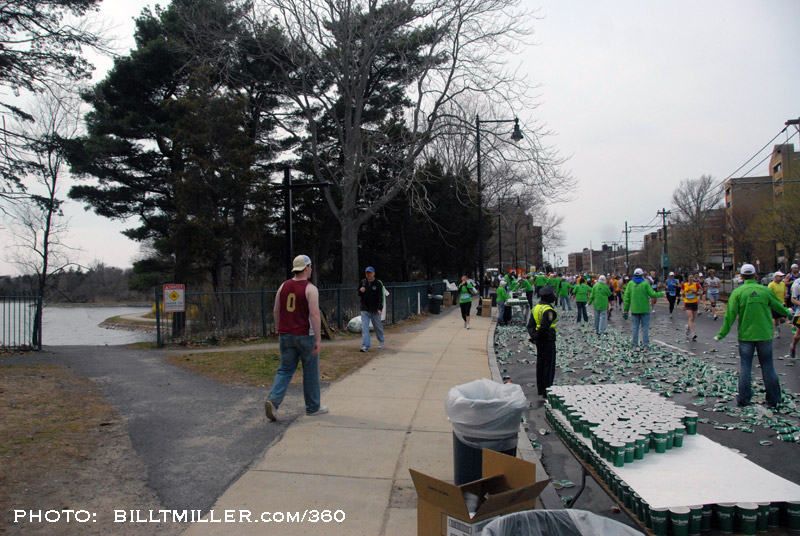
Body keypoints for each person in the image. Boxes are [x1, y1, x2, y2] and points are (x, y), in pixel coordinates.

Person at [715, 263, 792, 408]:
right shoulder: (764, 291)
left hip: (746, 335)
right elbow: (778, 307)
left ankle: (744, 399)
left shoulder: (738, 293)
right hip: (764, 334)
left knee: (745, 367)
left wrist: (721, 334)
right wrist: (789, 312)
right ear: (756, 276)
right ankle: (773, 399)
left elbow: (729, 316)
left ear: (742, 276)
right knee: (768, 366)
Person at [265, 254, 327, 421]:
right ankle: (313, 407)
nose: (311, 269)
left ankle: (273, 401)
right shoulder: (310, 289)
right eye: (310, 266)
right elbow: (314, 314)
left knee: (285, 369)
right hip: (305, 335)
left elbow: (276, 311)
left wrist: (280, 329)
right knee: (310, 371)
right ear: (306, 268)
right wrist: (318, 339)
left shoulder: (283, 287)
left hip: (286, 335)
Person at [526, 285, 558, 396]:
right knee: (548, 365)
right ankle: (547, 390)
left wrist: (534, 336)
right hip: (547, 339)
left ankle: (540, 389)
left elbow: (530, 325)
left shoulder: (536, 308)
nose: (554, 296)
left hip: (539, 340)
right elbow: (544, 327)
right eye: (553, 294)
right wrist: (536, 337)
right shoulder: (549, 311)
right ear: (548, 296)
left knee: (540, 364)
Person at [623, 268, 664, 349]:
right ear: (642, 275)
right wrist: (661, 293)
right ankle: (646, 345)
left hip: (634, 309)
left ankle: (635, 344)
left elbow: (626, 298)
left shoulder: (630, 284)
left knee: (635, 328)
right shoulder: (645, 284)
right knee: (645, 328)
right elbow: (652, 294)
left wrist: (626, 310)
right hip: (645, 309)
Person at [359, 266, 385, 352]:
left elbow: (380, 297)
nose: (368, 275)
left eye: (370, 273)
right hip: (365, 309)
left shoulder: (378, 283)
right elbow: (358, 292)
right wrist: (360, 291)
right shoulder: (363, 282)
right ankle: (365, 346)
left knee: (378, 327)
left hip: (375, 310)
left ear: (374, 273)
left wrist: (379, 308)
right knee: (365, 328)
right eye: (367, 273)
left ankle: (381, 341)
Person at [681, 274, 701, 340]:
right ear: (688, 278)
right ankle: (693, 333)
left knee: (692, 318)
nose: (691, 278)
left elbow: (701, 292)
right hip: (687, 303)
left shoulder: (696, 285)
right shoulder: (684, 285)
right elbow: (681, 293)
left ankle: (688, 327)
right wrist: (683, 293)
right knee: (691, 318)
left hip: (694, 302)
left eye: (692, 277)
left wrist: (695, 291)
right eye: (690, 277)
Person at [768, 272, 786, 338]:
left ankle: (778, 325)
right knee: (775, 319)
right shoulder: (771, 285)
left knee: (783, 319)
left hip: (782, 304)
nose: (781, 278)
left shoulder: (783, 284)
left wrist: (786, 298)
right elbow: (769, 294)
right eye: (780, 276)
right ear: (775, 277)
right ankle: (776, 331)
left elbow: (784, 293)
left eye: (782, 276)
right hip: (774, 304)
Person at [790, 276, 800, 358]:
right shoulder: (797, 285)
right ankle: (793, 345)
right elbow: (793, 299)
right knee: (798, 335)